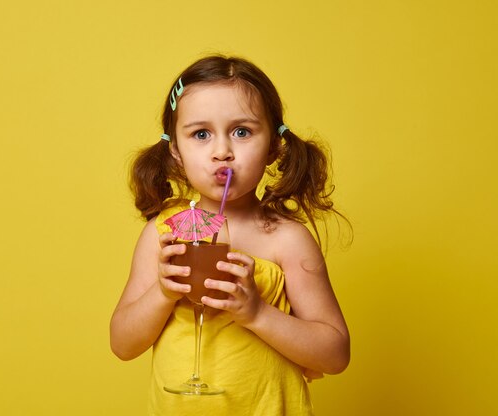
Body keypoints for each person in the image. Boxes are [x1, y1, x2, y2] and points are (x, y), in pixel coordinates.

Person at [110, 55, 350, 415]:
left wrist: (256, 313)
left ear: (272, 146)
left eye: (242, 131)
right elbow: (122, 344)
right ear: (175, 150)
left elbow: (335, 355)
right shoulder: (165, 234)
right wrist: (161, 293)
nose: (222, 152)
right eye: (201, 134)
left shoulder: (286, 240)